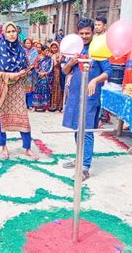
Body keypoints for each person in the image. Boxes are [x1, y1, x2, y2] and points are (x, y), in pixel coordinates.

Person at [61, 19, 113, 181]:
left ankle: (85, 167)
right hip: (75, 94)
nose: (84, 36)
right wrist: (71, 62)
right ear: (78, 33)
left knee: (87, 130)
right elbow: (65, 71)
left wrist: (95, 80)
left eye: (87, 33)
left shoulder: (98, 49)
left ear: (93, 33)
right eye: (81, 33)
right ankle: (79, 158)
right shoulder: (75, 48)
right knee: (77, 129)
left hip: (90, 96)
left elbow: (108, 71)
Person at [0, 22, 39, 160]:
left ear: (17, 32)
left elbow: (27, 67)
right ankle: (3, 146)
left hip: (17, 89)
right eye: (8, 31)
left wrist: (22, 73)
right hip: (3, 88)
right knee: (1, 118)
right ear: (4, 34)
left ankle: (27, 148)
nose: (11, 34)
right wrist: (10, 75)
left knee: (23, 117)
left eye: (13, 31)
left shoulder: (21, 51)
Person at [32, 45, 53, 112]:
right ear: (42, 51)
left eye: (48, 51)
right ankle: (35, 106)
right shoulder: (38, 58)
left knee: (45, 91)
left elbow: (51, 68)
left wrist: (45, 73)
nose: (47, 52)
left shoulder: (50, 59)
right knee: (37, 91)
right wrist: (39, 73)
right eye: (46, 51)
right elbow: (35, 66)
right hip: (39, 77)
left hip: (46, 77)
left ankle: (46, 107)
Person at [23, 38, 38, 109]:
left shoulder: (34, 51)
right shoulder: (23, 51)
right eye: (27, 43)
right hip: (24, 72)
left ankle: (30, 104)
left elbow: (34, 61)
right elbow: (22, 60)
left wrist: (29, 69)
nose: (28, 44)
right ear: (24, 44)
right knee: (23, 88)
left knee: (31, 88)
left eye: (29, 43)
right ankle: (24, 104)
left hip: (32, 72)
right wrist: (26, 70)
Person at [49, 41, 64, 112]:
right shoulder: (49, 54)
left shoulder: (59, 55)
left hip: (57, 74)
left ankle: (58, 106)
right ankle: (51, 105)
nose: (54, 49)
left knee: (57, 88)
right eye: (53, 47)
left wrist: (56, 59)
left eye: (55, 48)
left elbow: (57, 64)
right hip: (50, 74)